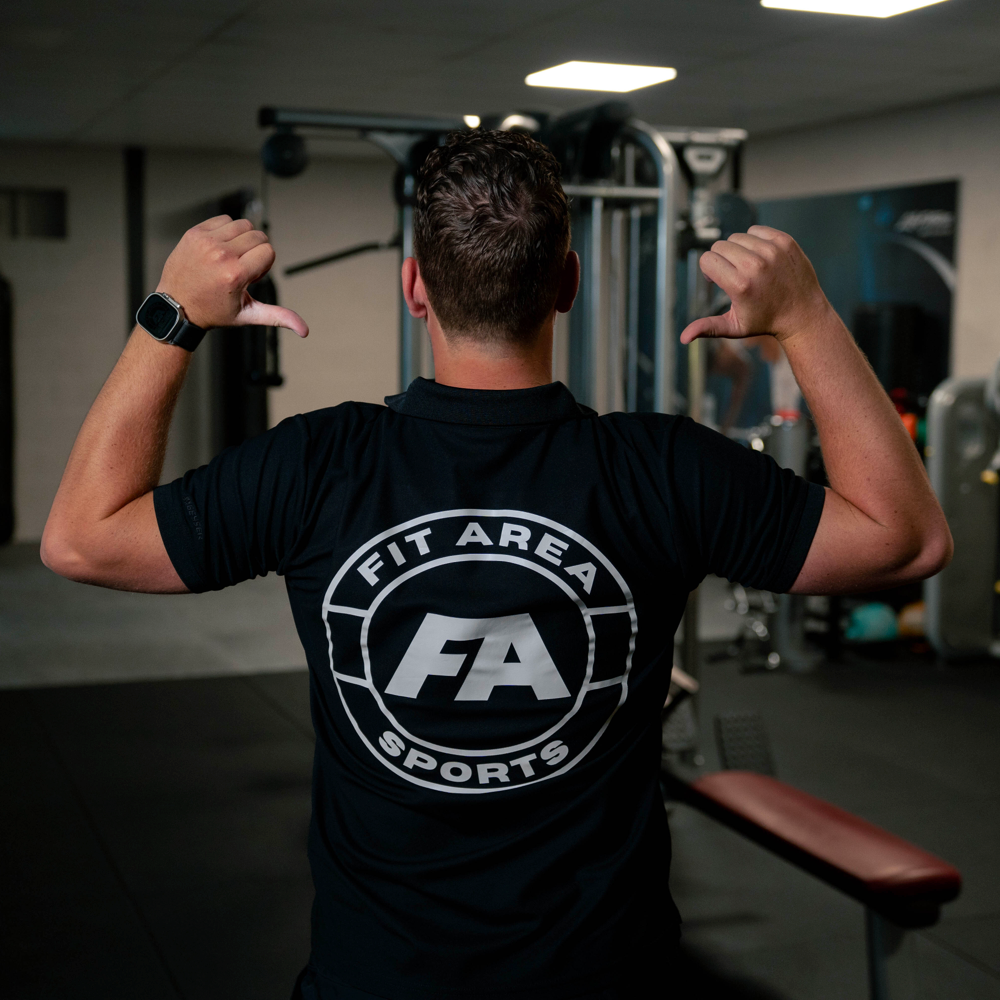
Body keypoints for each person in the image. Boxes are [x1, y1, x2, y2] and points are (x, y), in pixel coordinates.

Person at [42, 131, 951, 999]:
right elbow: (905, 539)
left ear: (413, 288)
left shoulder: (318, 462)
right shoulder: (666, 468)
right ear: (568, 283)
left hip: (380, 983)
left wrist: (172, 317)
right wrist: (808, 318)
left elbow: (82, 537)